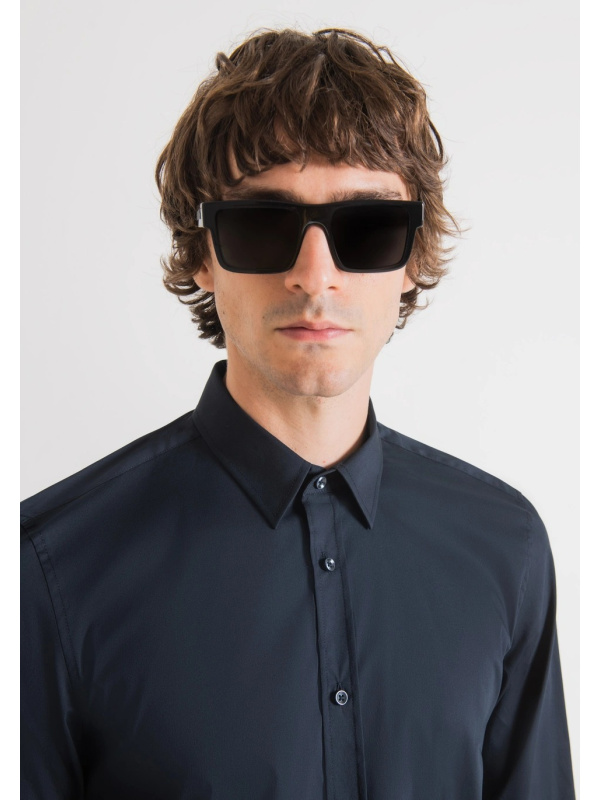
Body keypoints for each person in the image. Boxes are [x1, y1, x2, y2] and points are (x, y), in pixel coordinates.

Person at [21, 27, 575, 800]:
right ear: (201, 253)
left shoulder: (504, 548)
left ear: (412, 258)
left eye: (367, 228)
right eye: (262, 224)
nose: (315, 276)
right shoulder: (48, 568)